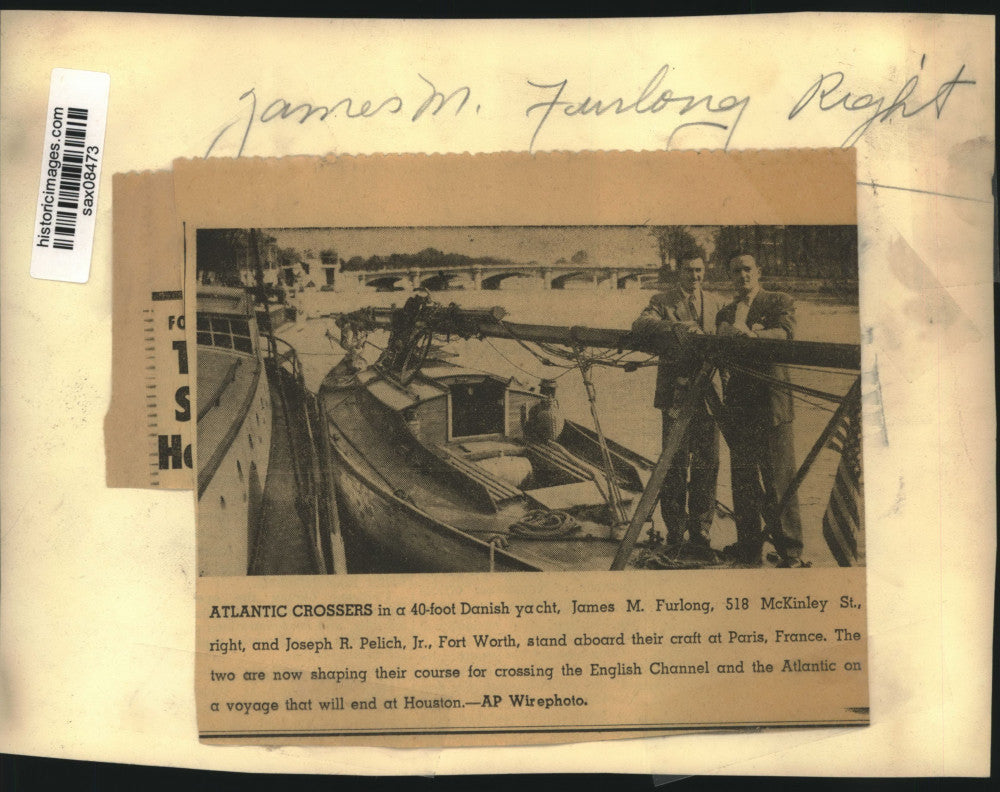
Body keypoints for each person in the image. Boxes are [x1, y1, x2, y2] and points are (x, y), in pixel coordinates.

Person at [716, 254, 805, 567]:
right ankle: (749, 546)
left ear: (758, 272)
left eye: (747, 269)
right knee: (742, 478)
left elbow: (785, 332)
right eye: (736, 270)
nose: (742, 275)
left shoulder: (778, 300)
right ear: (730, 276)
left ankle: (790, 550)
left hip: (771, 405)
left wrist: (753, 336)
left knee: (778, 478)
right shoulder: (725, 312)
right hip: (739, 406)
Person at [632, 254, 722, 549]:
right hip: (676, 396)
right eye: (688, 270)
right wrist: (678, 328)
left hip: (710, 397)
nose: (694, 276)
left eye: (698, 271)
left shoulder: (718, 304)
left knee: (707, 463)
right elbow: (641, 324)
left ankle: (701, 528)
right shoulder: (661, 301)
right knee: (674, 462)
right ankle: (675, 529)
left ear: (703, 273)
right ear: (678, 272)